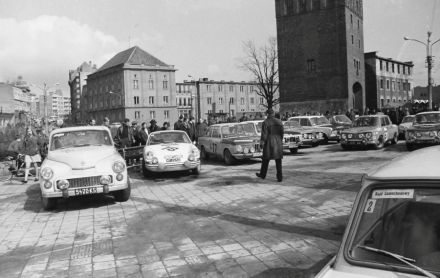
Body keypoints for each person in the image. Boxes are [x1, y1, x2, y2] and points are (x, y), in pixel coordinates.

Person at [256, 109, 284, 182]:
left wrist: (261, 144)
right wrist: (280, 140)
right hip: (278, 142)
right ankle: (280, 177)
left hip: (269, 142)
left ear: (267, 114)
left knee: (265, 160)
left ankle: (262, 175)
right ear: (273, 113)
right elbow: (282, 133)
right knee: (278, 161)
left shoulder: (265, 122)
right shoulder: (279, 121)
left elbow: (264, 135)